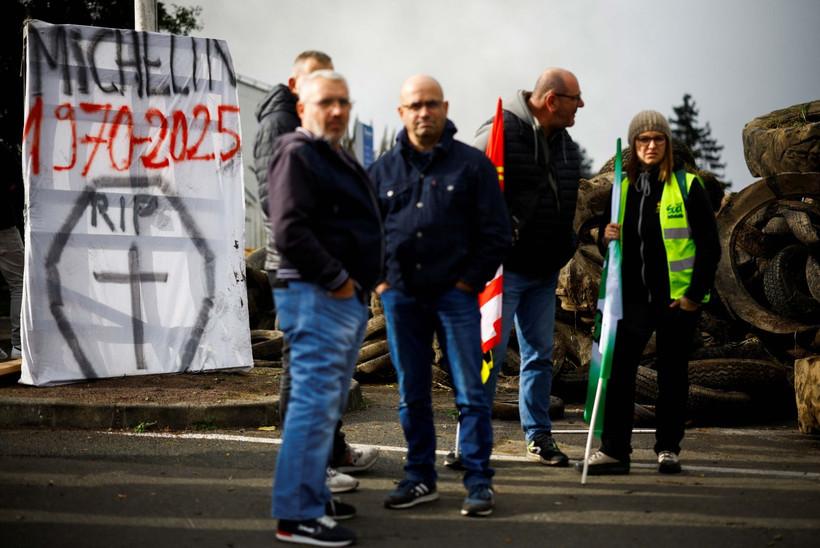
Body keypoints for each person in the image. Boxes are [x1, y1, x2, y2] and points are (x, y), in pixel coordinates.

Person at [369, 75, 511, 517]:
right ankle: (419, 477)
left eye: (431, 104)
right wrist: (381, 280)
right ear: (401, 112)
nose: (424, 112)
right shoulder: (382, 170)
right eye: (415, 105)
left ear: (445, 108)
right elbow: (365, 233)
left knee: (471, 392)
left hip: (456, 298)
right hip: (402, 299)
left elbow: (496, 233)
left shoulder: (472, 167)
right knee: (412, 393)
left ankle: (478, 482)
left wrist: (469, 282)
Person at [251, 51, 378, 494]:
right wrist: (335, 276)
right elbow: (281, 213)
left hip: (331, 278)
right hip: (307, 278)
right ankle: (308, 478)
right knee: (304, 379)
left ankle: (328, 457)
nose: (335, 107)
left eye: (339, 95)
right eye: (318, 89)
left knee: (328, 380)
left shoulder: (323, 136)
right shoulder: (282, 131)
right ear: (296, 90)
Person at [575, 110, 720, 475]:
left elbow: (709, 247)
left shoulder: (688, 187)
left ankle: (667, 449)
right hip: (630, 301)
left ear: (667, 144)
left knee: (673, 376)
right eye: (643, 140)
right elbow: (601, 232)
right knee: (619, 375)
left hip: (675, 301)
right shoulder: (623, 189)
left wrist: (692, 296)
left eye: (657, 139)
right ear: (634, 146)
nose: (650, 146)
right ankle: (614, 451)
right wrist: (601, 235)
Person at [470, 68, 584, 467]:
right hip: (503, 274)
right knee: (488, 356)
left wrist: (567, 245)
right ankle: (471, 442)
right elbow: (470, 196)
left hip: (543, 272)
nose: (581, 106)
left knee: (538, 357)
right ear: (552, 100)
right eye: (575, 99)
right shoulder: (499, 133)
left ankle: (539, 437)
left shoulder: (566, 145)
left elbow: (568, 202)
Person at [0, 143, 24, 362]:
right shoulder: (3, 152)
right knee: (18, 283)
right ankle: (18, 345)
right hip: (4, 223)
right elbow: (18, 181)